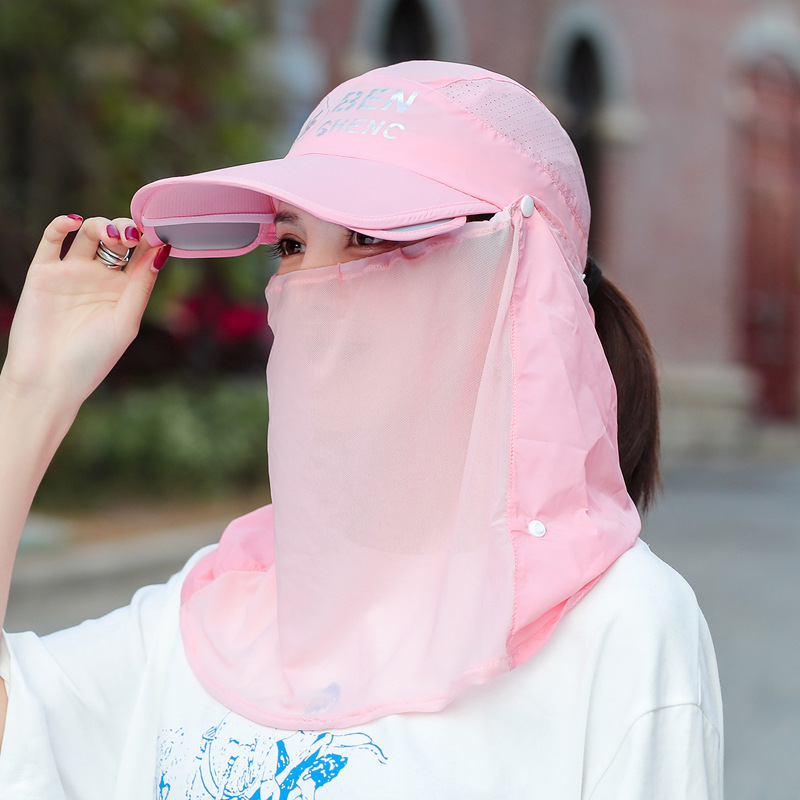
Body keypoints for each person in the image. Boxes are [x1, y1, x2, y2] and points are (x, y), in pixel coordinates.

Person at [0, 61, 722, 798]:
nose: (314, 286)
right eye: (291, 245)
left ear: (518, 273)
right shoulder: (216, 613)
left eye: (374, 236)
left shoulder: (620, 630)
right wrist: (31, 393)